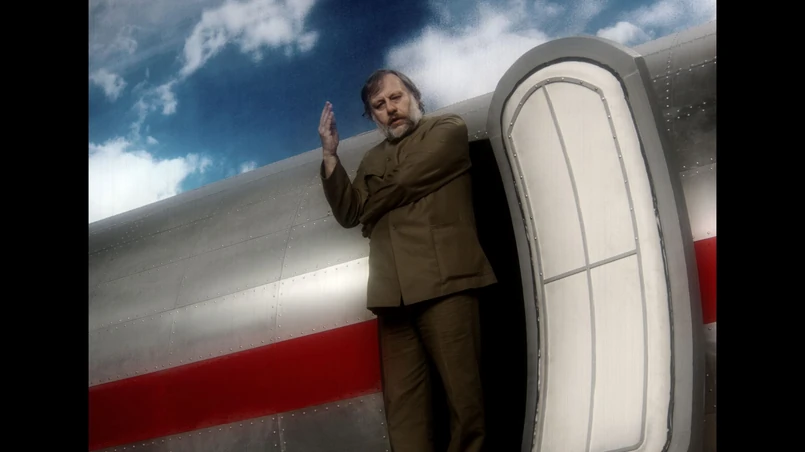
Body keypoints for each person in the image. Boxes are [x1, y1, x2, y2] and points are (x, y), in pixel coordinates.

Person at [317, 69, 497, 452]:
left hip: (445, 283)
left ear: (414, 96)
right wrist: (330, 156)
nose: (390, 109)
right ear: (373, 116)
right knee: (404, 413)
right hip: (392, 297)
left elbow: (403, 183)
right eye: (379, 105)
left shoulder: (446, 129)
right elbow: (350, 213)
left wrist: (372, 212)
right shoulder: (372, 158)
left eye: (396, 97)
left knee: (465, 404)